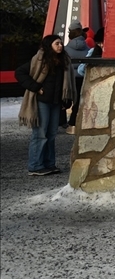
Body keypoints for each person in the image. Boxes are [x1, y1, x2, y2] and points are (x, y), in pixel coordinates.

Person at [15, 35, 74, 175]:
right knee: (40, 134)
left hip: (55, 102)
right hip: (41, 101)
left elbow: (65, 83)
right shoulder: (39, 59)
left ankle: (49, 164)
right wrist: (36, 87)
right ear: (49, 45)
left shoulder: (64, 61)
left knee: (52, 134)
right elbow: (20, 73)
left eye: (61, 43)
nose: (60, 46)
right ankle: (35, 165)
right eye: (57, 43)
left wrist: (66, 99)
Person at [69, 26, 104, 132]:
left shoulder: (92, 51)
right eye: (99, 43)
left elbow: (81, 70)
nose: (101, 45)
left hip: (87, 83)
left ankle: (73, 124)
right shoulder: (90, 49)